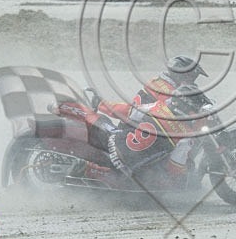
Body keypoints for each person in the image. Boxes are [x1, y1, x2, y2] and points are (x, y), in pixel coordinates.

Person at [53, 56, 210, 187]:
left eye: (193, 78)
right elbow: (172, 104)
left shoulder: (168, 85)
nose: (192, 81)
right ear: (180, 74)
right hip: (134, 127)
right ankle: (89, 169)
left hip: (143, 123)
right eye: (191, 77)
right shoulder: (164, 89)